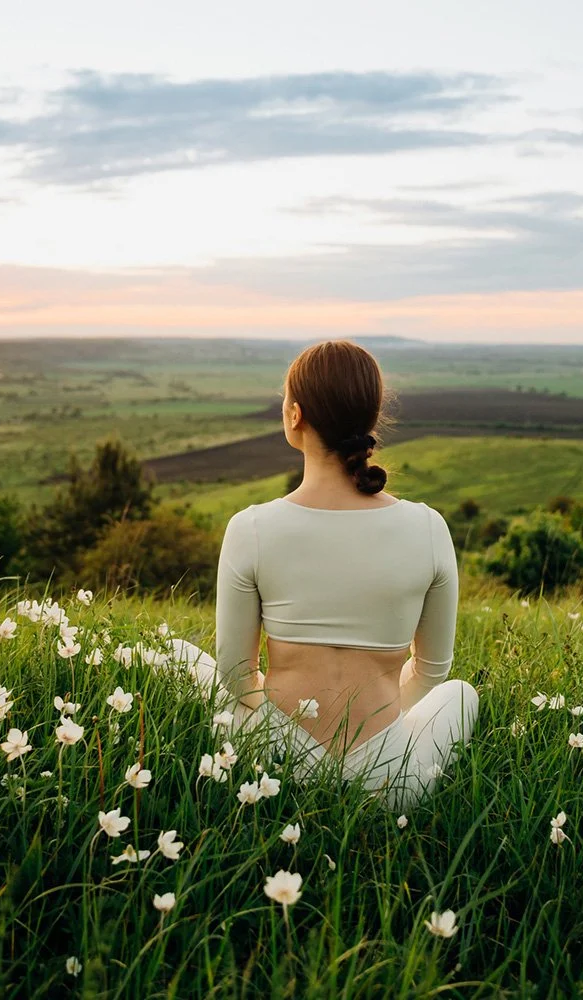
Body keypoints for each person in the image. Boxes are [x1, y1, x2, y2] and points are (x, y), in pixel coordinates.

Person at [179, 339, 478, 811]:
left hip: (275, 768)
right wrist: (372, 743)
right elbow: (433, 672)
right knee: (461, 695)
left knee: (185, 660)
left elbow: (238, 679)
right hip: (393, 784)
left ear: (294, 415)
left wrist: (299, 744)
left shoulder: (251, 528)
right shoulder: (428, 527)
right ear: (369, 420)